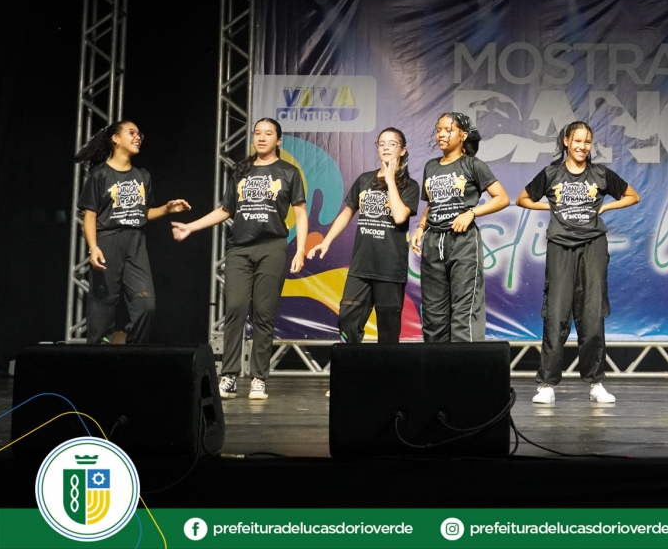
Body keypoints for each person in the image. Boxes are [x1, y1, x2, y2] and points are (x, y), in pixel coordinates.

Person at [173, 118, 308, 401]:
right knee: (235, 308)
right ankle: (230, 375)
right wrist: (190, 227)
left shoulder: (289, 172)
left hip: (272, 247)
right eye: (257, 133)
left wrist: (300, 250)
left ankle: (258, 378)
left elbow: (300, 213)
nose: (261, 138)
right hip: (239, 249)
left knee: (264, 313)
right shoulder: (241, 170)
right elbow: (225, 209)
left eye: (268, 133)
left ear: (278, 140)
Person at [515, 121, 640, 405]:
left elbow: (633, 195)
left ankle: (596, 382)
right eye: (578, 141)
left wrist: (606, 206)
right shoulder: (551, 173)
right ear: (566, 142)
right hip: (560, 247)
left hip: (593, 247)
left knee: (592, 314)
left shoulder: (600, 174)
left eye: (587, 142)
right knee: (556, 314)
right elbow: (522, 199)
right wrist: (550, 206)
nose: (583, 146)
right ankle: (547, 384)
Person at [75, 120, 191, 345]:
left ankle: (132, 353)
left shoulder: (142, 176)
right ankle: (98, 357)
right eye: (131, 133)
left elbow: (143, 213)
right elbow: (89, 216)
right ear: (115, 139)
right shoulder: (100, 174)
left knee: (146, 305)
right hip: (108, 241)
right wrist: (93, 247)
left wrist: (167, 209)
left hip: (136, 242)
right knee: (102, 307)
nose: (138, 137)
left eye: (139, 134)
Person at [308, 128, 419, 346]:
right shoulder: (364, 179)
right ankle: (353, 366)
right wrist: (326, 241)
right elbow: (348, 212)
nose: (386, 147)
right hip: (361, 266)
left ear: (403, 150)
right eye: (381, 143)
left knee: (388, 332)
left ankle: (384, 368)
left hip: (389, 269)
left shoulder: (409, 185)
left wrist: (390, 180)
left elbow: (399, 217)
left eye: (392, 144)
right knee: (348, 321)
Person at [411, 113, 509, 343]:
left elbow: (502, 198)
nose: (441, 134)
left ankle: (465, 365)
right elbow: (432, 203)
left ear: (463, 135)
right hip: (433, 242)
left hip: (462, 241)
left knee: (464, 311)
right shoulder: (431, 166)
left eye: (448, 130)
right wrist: (421, 227)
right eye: (439, 130)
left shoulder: (473, 165)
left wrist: (471, 213)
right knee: (433, 314)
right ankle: (437, 364)